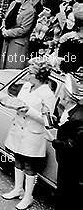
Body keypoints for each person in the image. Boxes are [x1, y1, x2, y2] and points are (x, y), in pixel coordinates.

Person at [2, 55, 57, 210]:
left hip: (33, 134)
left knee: (29, 166)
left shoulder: (47, 94)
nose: (28, 75)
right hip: (18, 129)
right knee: (18, 160)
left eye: (31, 73)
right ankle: (18, 189)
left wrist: (30, 111)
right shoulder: (26, 86)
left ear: (39, 76)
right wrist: (12, 104)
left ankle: (28, 196)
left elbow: (48, 121)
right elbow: (19, 102)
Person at [52, 72, 83, 210]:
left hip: (73, 165)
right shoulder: (70, 110)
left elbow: (74, 146)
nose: (59, 97)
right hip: (65, 161)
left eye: (62, 95)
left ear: (67, 99)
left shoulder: (78, 118)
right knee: (61, 189)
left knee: (67, 193)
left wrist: (54, 141)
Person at [1, 0, 36, 69]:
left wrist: (8, 32)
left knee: (13, 68)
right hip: (7, 41)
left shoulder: (30, 10)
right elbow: (5, 18)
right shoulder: (13, 4)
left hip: (18, 44)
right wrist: (3, 28)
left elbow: (24, 29)